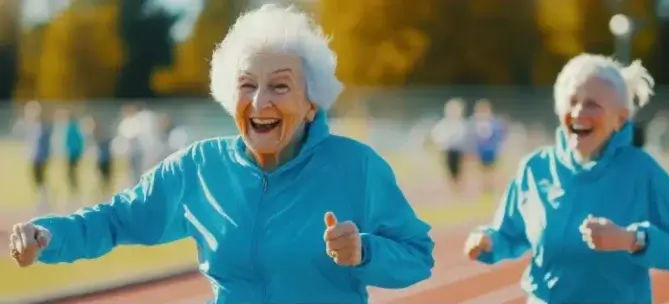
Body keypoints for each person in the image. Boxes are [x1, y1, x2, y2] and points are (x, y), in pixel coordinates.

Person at [8, 5, 434, 303]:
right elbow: (118, 219)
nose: (260, 101)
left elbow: (418, 255)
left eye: (280, 86)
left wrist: (364, 251)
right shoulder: (200, 168)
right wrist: (49, 236)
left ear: (312, 104)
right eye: (247, 85)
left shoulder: (356, 167)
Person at [463, 54, 669, 303]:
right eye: (572, 101)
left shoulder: (644, 172)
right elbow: (509, 234)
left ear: (620, 119)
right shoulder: (535, 169)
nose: (579, 112)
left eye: (592, 104)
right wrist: (487, 240)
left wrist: (631, 239)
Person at [11, 100, 53, 214]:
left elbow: (44, 142)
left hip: (41, 157)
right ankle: (42, 198)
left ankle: (45, 199)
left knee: (40, 178)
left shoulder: (44, 126)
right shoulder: (32, 125)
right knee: (35, 179)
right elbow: (26, 139)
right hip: (35, 156)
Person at [430, 98, 469, 193]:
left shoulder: (461, 124)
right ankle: (452, 187)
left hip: (459, 150)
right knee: (449, 169)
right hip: (448, 150)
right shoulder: (444, 124)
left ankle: (458, 187)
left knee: (459, 170)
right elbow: (436, 136)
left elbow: (465, 137)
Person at [468, 99, 507, 193]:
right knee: (482, 170)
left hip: (491, 150)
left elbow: (499, 135)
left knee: (491, 170)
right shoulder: (474, 122)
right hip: (480, 150)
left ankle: (490, 186)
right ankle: (484, 186)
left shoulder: (493, 122)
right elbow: (472, 137)